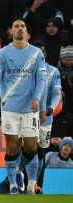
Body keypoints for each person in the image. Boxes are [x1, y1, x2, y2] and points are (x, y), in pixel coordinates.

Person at [0, 18, 46, 194]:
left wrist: (37, 98)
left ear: (27, 32)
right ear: (11, 31)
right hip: (9, 108)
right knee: (12, 147)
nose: (20, 29)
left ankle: (19, 170)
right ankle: (13, 184)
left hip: (29, 108)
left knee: (31, 147)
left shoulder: (37, 54)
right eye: (16, 26)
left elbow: (41, 79)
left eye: (23, 26)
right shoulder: (3, 54)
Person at [26, 40, 61, 193]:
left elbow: (56, 94)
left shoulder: (53, 71)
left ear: (45, 54)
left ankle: (36, 185)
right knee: (27, 151)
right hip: (26, 117)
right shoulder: (24, 71)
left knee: (40, 153)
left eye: (42, 51)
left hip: (45, 119)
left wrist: (50, 108)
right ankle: (24, 185)